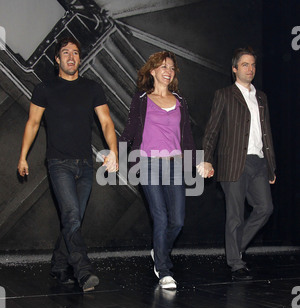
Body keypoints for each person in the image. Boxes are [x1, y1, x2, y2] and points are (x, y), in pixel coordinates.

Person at [17, 36, 118, 292]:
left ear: (80, 59)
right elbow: (33, 123)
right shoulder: (44, 89)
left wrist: (114, 151)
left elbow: (106, 122)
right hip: (58, 164)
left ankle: (59, 264)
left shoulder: (92, 88)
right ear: (57, 59)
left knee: (74, 218)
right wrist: (22, 156)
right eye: (65, 52)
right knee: (72, 215)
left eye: (75, 52)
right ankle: (83, 272)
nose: (71, 57)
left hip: (84, 164)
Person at [198, 46, 276, 281]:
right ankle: (235, 263)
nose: (250, 69)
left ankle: (234, 247)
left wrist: (271, 166)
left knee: (265, 208)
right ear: (234, 69)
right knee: (235, 215)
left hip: (259, 162)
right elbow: (212, 130)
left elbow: (267, 134)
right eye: (245, 64)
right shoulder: (224, 94)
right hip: (234, 162)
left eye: (253, 64)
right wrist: (207, 160)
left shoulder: (261, 96)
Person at [119, 51, 196, 289]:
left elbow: (187, 137)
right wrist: (117, 153)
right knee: (160, 216)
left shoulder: (180, 101)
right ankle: (163, 270)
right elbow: (130, 131)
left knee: (178, 221)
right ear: (152, 70)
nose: (168, 71)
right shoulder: (141, 99)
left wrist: (196, 162)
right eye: (163, 66)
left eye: (172, 68)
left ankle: (159, 250)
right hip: (149, 163)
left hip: (174, 164)